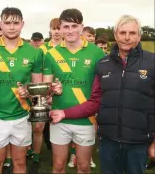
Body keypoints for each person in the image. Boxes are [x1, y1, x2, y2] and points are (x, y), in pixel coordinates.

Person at [49, 14, 155, 174]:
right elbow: (95, 101)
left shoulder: (152, 62)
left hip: (138, 141)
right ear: (115, 35)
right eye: (122, 32)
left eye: (132, 33)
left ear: (139, 35)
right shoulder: (104, 64)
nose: (127, 38)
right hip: (108, 140)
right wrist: (64, 112)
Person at [0, 7, 43, 174]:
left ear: (22, 24)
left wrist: (28, 92)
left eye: (15, 23)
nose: (11, 27)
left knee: (20, 164)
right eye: (7, 23)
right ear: (0, 24)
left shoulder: (34, 52)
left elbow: (37, 88)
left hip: (22, 117)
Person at [43, 8, 105, 173]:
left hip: (86, 119)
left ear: (81, 27)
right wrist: (52, 90)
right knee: (58, 165)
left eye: (74, 26)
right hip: (59, 117)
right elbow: (45, 90)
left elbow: (102, 88)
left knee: (83, 167)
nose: (70, 31)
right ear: (61, 28)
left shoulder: (97, 53)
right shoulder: (51, 54)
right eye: (66, 26)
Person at [28, 18, 63, 174]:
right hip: (42, 92)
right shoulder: (42, 49)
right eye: (53, 28)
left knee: (61, 125)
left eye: (58, 28)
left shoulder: (67, 47)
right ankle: (36, 157)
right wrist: (44, 93)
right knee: (38, 126)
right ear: (50, 30)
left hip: (61, 93)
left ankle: (65, 156)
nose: (56, 31)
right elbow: (38, 72)